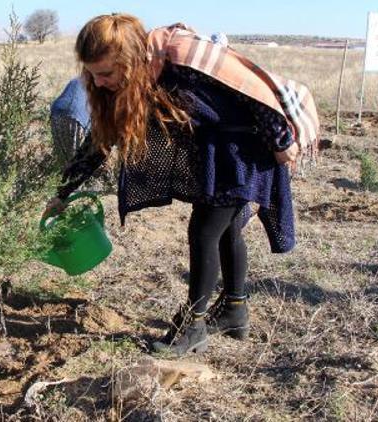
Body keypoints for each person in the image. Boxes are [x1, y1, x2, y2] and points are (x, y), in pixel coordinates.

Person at [45, 14, 318, 356]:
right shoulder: (124, 85)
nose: (98, 83)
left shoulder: (183, 63)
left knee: (204, 231)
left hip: (244, 149)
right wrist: (62, 192)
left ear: (130, 62)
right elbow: (98, 144)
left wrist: (281, 142)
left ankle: (194, 324)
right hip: (217, 153)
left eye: (106, 73)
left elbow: (249, 91)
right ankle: (235, 309)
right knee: (227, 229)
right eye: (93, 74)